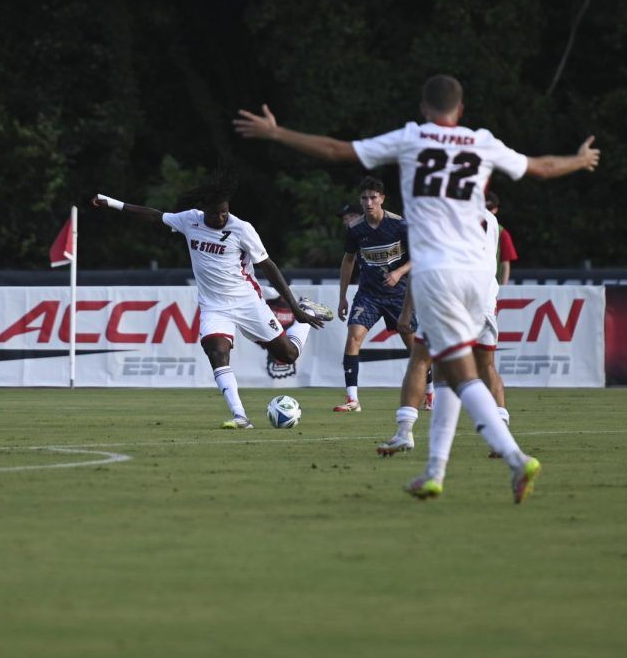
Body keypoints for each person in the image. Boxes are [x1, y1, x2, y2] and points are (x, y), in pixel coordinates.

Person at [234, 74, 599, 502]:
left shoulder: (412, 137)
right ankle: (433, 472)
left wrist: (277, 133)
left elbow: (336, 151)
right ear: (460, 110)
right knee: (442, 369)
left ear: (424, 109)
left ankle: (516, 457)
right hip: (478, 278)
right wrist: (579, 160)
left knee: (460, 374)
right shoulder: (480, 140)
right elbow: (542, 168)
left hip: (439, 273)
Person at [92, 173, 330, 429]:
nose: (221, 217)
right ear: (203, 209)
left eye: (224, 212)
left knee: (288, 355)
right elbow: (154, 215)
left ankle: (304, 311)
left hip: (247, 302)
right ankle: (240, 416)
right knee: (217, 352)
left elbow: (268, 265)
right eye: (215, 213)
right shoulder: (189, 220)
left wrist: (294, 306)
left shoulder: (242, 229)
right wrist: (112, 203)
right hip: (214, 306)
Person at [377, 205, 506, 456]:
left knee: (421, 360)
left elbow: (422, 266)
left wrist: (406, 310)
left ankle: (404, 432)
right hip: (483, 300)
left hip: (448, 299)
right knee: (486, 366)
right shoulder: (490, 219)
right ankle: (501, 436)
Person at [331, 176, 432, 413]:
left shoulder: (400, 225)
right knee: (353, 337)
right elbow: (348, 260)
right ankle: (352, 399)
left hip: (400, 295)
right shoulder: (355, 229)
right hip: (368, 295)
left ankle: (430, 394)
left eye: (373, 198)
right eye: (364, 198)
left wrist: (399, 272)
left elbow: (420, 257)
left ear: (382, 199)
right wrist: (342, 296)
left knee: (415, 349)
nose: (368, 202)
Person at [484, 191, 518, 285]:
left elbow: (505, 264)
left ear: (495, 210)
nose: (486, 211)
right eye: (483, 207)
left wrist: (503, 287)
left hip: (492, 285)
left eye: (489, 208)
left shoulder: (502, 233)